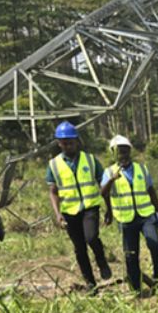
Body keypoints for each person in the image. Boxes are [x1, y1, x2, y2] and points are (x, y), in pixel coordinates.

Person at [46, 121, 112, 290]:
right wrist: (58, 213)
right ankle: (90, 283)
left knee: (91, 237)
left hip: (90, 208)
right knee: (79, 249)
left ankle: (102, 261)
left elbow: (103, 185)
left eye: (70, 142)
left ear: (77, 141)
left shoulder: (90, 160)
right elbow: (53, 191)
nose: (67, 145)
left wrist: (109, 208)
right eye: (64, 142)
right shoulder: (54, 165)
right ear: (59, 143)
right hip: (69, 212)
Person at [100, 135, 158, 293]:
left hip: (146, 215)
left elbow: (151, 190)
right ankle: (135, 286)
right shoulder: (109, 172)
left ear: (130, 152)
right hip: (126, 218)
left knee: (155, 243)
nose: (123, 155)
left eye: (125, 151)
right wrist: (111, 180)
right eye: (119, 152)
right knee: (131, 254)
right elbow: (103, 193)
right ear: (114, 154)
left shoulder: (141, 169)